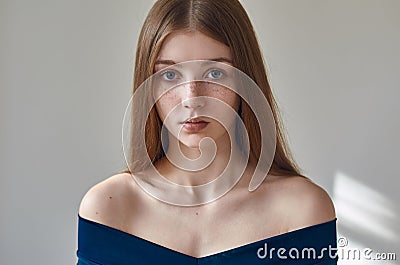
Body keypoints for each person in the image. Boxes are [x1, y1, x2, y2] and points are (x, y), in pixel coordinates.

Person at [77, 0, 337, 264]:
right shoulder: (108, 208)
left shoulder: (303, 211)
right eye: (169, 75)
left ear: (245, 81)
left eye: (214, 73)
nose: (192, 97)